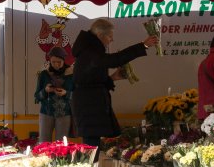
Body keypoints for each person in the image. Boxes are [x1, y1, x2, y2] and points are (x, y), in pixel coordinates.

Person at [70, 18, 157, 147]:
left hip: (89, 103)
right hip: (88, 105)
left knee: (93, 143)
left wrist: (112, 78)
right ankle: (92, 166)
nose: (112, 40)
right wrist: (143, 45)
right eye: (110, 36)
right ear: (100, 35)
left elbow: (90, 80)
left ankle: (93, 166)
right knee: (91, 145)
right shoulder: (89, 51)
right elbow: (114, 60)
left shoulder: (88, 50)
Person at [34, 47, 72, 142]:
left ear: (64, 60)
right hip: (46, 113)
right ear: (50, 60)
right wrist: (45, 90)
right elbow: (37, 96)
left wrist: (66, 93)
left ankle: (60, 158)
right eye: (53, 62)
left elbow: (78, 96)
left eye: (59, 62)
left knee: (61, 144)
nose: (56, 64)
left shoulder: (71, 74)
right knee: (44, 142)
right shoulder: (44, 74)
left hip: (64, 113)